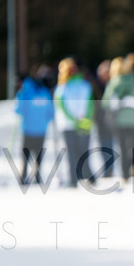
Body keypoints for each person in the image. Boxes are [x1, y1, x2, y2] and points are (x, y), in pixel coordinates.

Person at [103, 54, 134, 184]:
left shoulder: (115, 81)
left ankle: (125, 174)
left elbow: (106, 102)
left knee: (123, 147)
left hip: (120, 120)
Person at [53, 57, 95, 187]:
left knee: (72, 152)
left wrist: (74, 119)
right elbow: (90, 104)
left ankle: (73, 179)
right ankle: (89, 177)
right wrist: (85, 118)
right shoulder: (85, 84)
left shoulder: (61, 88)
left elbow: (61, 106)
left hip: (67, 124)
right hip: (84, 121)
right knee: (83, 151)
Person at [14, 71, 55, 186]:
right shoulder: (45, 92)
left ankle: (23, 176)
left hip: (28, 128)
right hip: (41, 129)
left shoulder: (25, 92)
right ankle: (37, 176)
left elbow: (19, 110)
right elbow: (51, 114)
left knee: (26, 154)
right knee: (38, 154)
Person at [92, 60, 117, 178]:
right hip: (100, 120)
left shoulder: (113, 84)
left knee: (109, 145)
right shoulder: (96, 85)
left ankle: (110, 170)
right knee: (103, 145)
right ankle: (107, 169)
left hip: (111, 120)